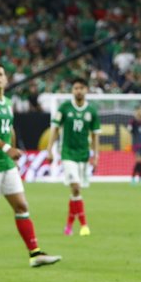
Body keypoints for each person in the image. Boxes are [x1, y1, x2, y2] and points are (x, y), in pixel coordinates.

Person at [0, 62, 61, 269]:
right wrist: (8, 148)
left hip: (6, 163)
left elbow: (10, 130)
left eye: (0, 74)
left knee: (21, 206)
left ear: (6, 79)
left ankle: (35, 254)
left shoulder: (7, 101)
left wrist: (13, 153)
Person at [50, 79, 99, 236]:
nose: (78, 91)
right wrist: (49, 149)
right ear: (72, 90)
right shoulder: (64, 108)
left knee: (75, 192)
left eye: (81, 88)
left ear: (86, 90)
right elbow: (55, 128)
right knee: (76, 187)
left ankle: (69, 225)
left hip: (83, 155)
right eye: (76, 88)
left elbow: (95, 135)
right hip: (67, 153)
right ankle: (84, 225)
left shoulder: (91, 111)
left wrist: (96, 155)